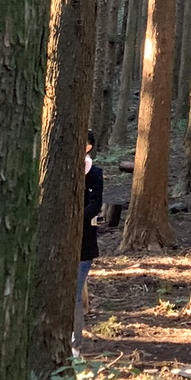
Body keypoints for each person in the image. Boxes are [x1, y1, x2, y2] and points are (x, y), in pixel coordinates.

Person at [74, 130, 103, 356]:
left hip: (84, 243)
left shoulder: (94, 174)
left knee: (74, 294)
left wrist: (75, 219)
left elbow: (96, 204)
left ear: (89, 147)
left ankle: (75, 345)